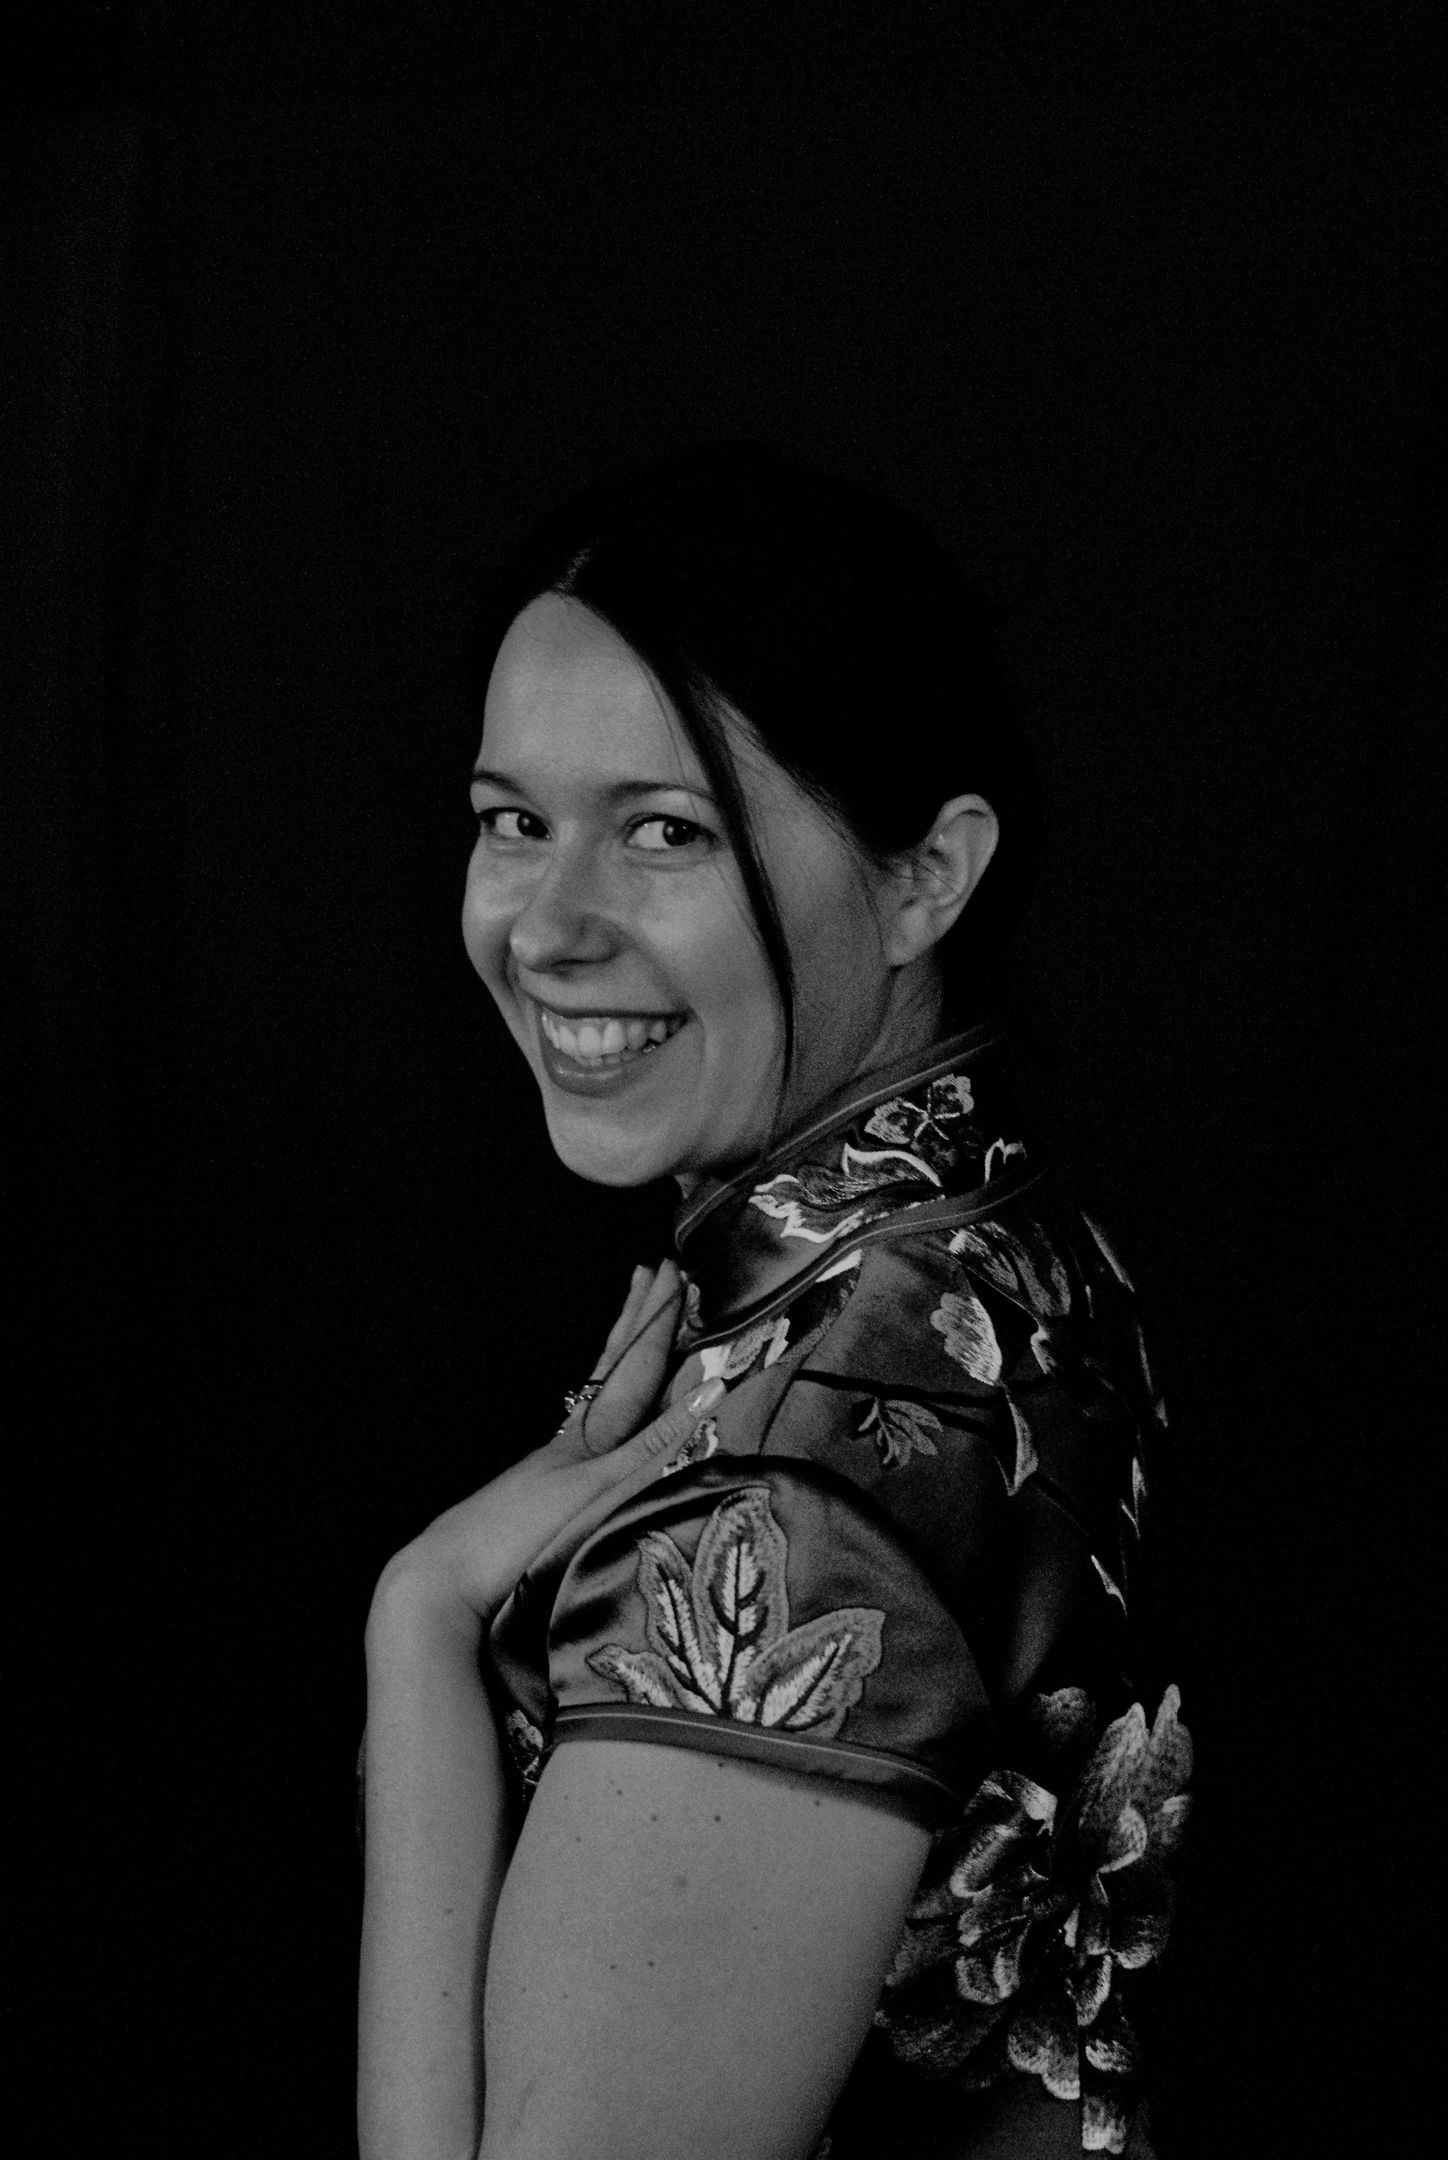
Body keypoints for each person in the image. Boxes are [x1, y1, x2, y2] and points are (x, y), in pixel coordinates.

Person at [357, 446, 1190, 2160]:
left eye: (667, 831)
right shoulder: (1002, 1232)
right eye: (514, 821)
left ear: (926, 876)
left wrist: (420, 1626)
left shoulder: (788, 1505)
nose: (548, 928)